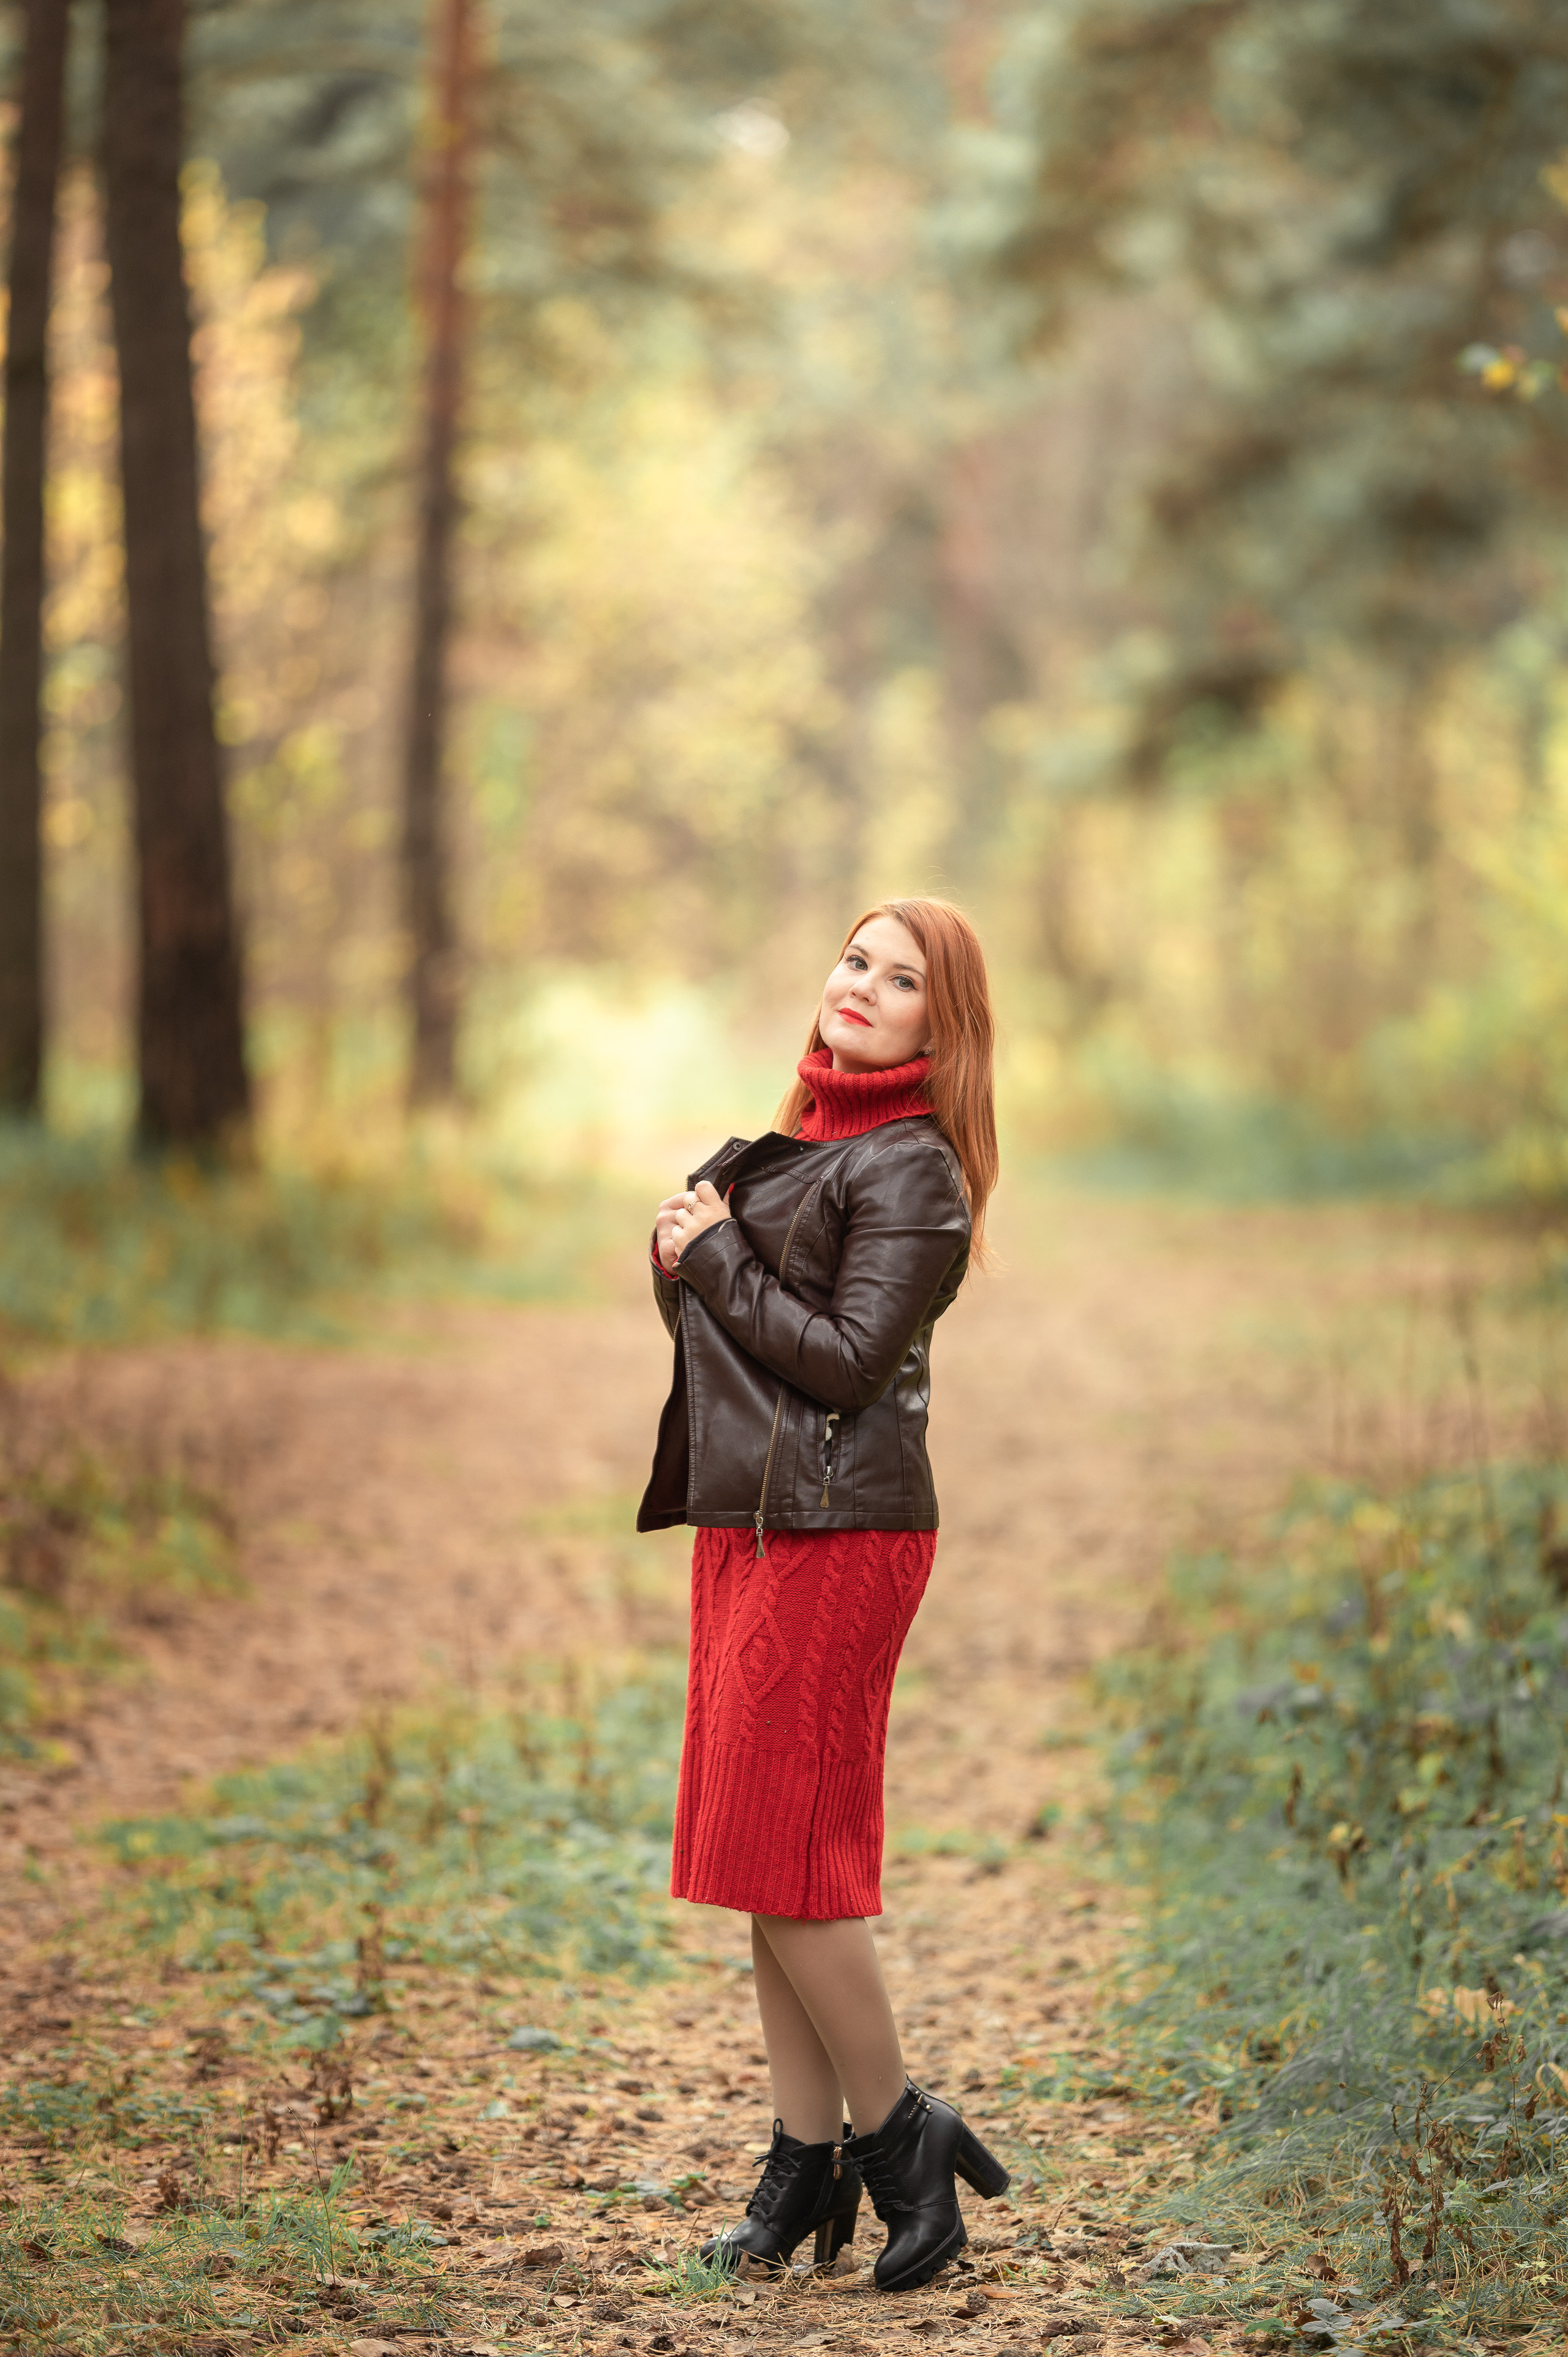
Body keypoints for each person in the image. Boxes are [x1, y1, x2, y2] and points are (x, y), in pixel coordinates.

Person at [637, 897, 1008, 2292]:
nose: (860, 984)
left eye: (899, 977)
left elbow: (846, 1361)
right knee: (758, 1854)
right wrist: (687, 1248)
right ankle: (801, 2162)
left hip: (842, 1536)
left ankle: (896, 2134)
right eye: (855, 958)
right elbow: (737, 1348)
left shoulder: (914, 1168)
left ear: (940, 1023)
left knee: (795, 1858)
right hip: (750, 1523)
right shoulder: (804, 1141)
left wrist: (716, 1251)